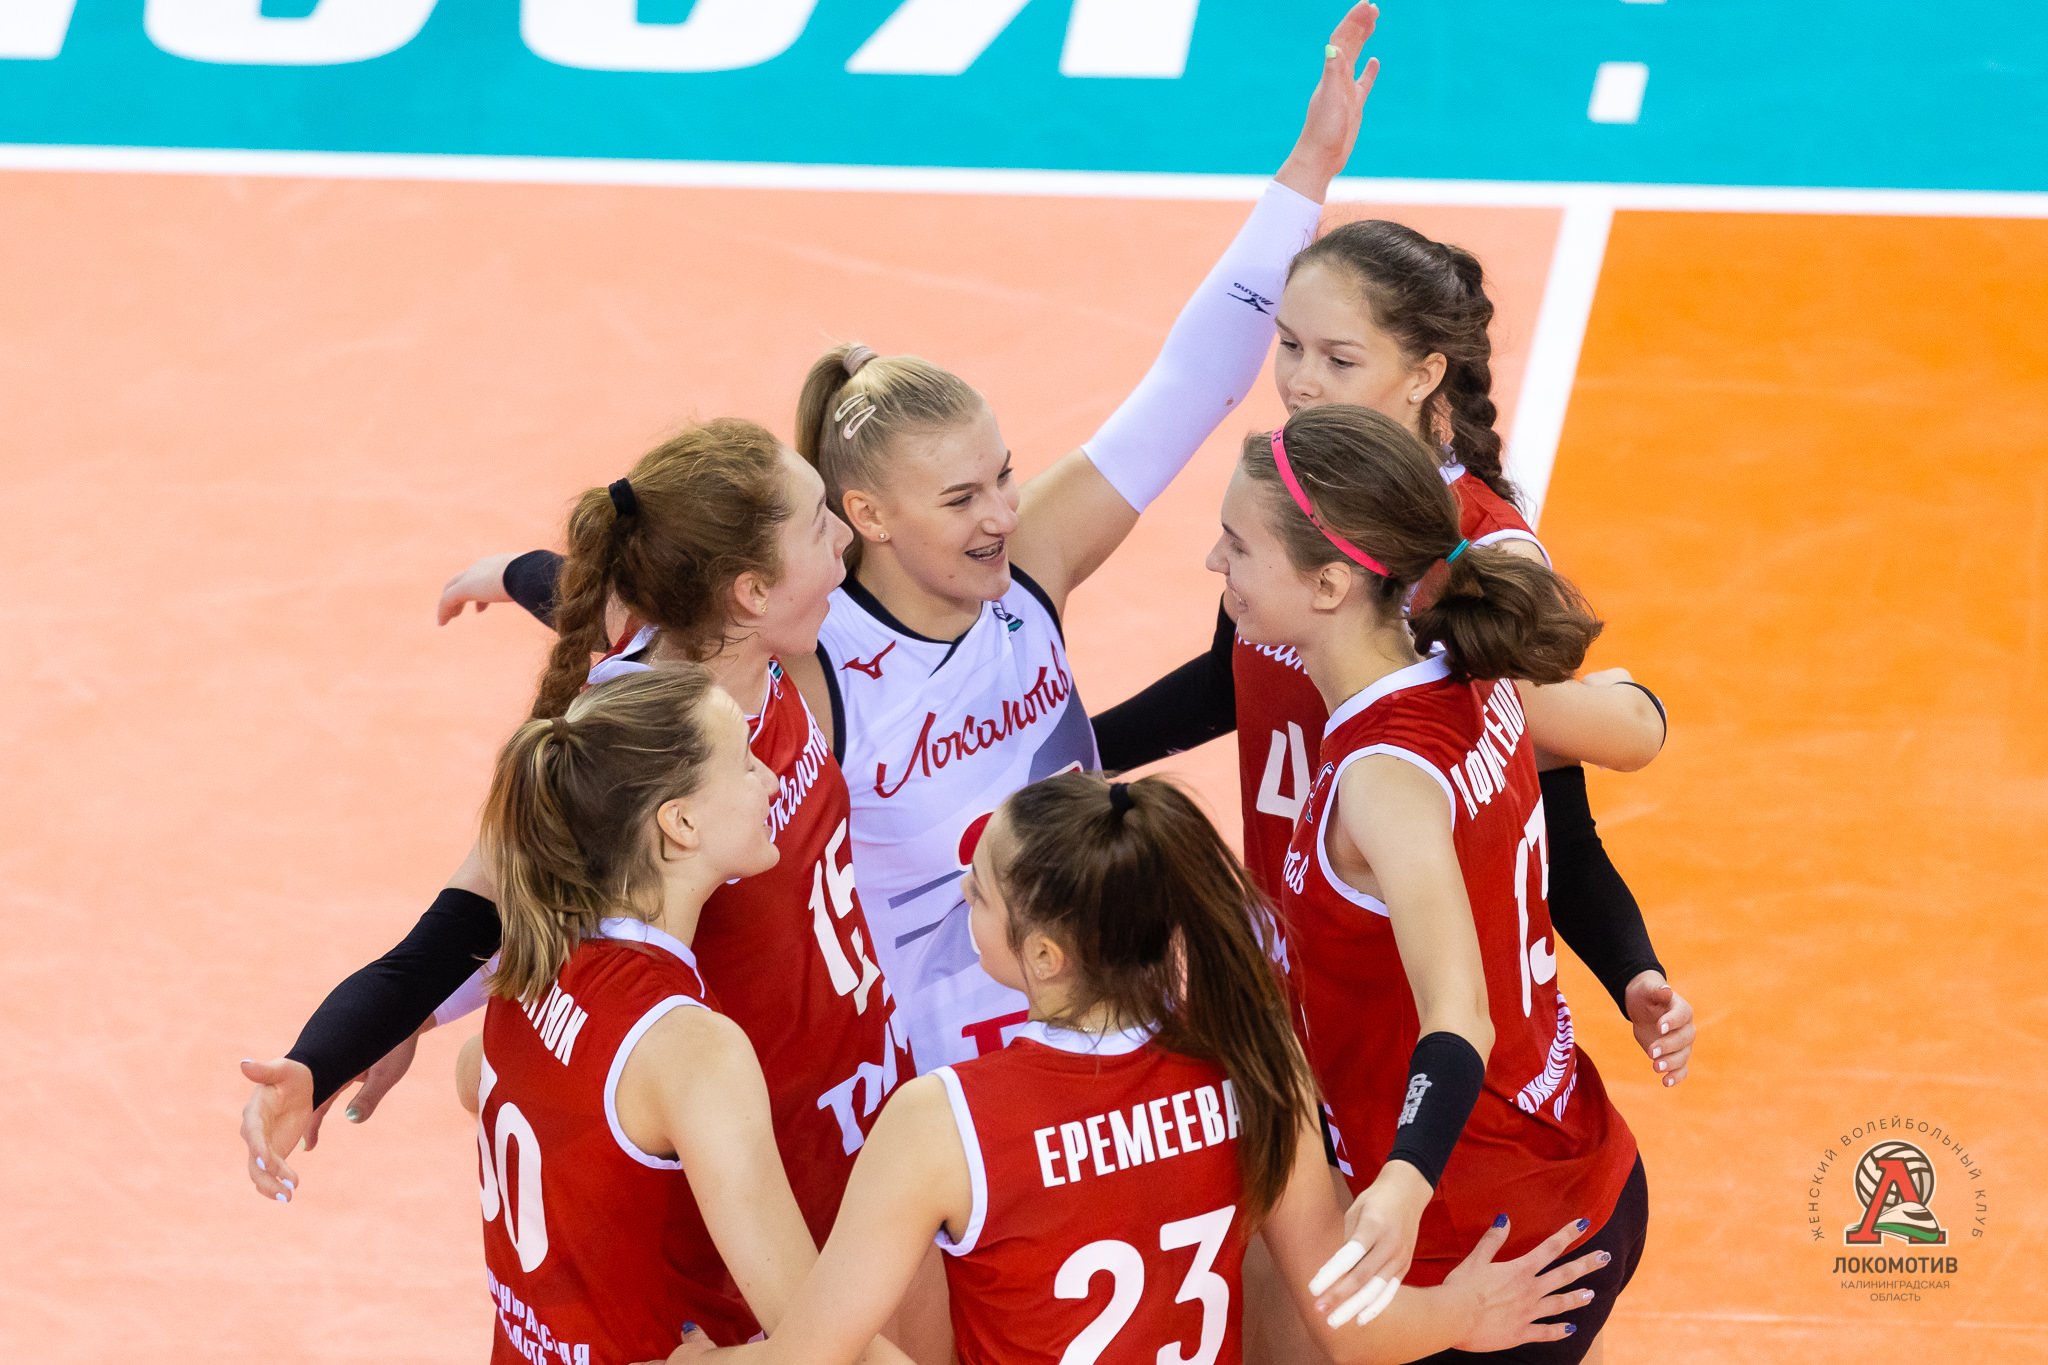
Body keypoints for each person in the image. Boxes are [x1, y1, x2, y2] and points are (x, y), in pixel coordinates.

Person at [443, 3, 1389, 1075]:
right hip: (933, 1088)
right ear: (868, 517)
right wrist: (410, 1023)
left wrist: (1306, 172)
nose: (1000, 514)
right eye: (960, 498)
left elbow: (1187, 387)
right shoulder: (812, 665)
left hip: (1111, 1016)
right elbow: (608, 772)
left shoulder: (1028, 563)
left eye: (1003, 476)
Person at [652, 773, 1610, 1365]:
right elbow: (1352, 1326)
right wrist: (1462, 1310)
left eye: (977, 895)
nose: (963, 903)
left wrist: (709, 1363)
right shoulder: (1253, 1071)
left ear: (1044, 956)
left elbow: (813, 1357)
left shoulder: (942, 1120)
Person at [240, 420, 914, 1249]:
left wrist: (503, 571)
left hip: (866, 1088)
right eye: (818, 525)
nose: (846, 536)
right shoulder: (630, 761)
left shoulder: (713, 626)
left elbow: (577, 588)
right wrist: (324, 1058)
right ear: (749, 591)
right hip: (761, 1153)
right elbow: (451, 934)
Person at [1095, 218, 1694, 1089]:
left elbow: (1546, 802)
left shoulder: (1478, 553)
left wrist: (1631, 964)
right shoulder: (1289, 485)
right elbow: (1233, 682)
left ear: (1423, 375)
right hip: (1286, 975)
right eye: (1289, 346)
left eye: (1339, 359)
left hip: (1403, 1011)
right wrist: (1066, 750)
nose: (1300, 381)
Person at [1215, 405, 1648, 1361]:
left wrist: (1404, 1184)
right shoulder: (1471, 669)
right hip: (1571, 1164)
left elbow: (1460, 1016)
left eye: (1238, 547)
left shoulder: (1382, 777)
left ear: (1330, 583)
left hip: (1481, 1245)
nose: (1216, 564)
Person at [455, 667, 907, 1361]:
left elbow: (475, 1077)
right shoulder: (688, 1047)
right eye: (745, 763)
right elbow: (820, 1347)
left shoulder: (532, 964)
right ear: (681, 823)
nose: (771, 780)